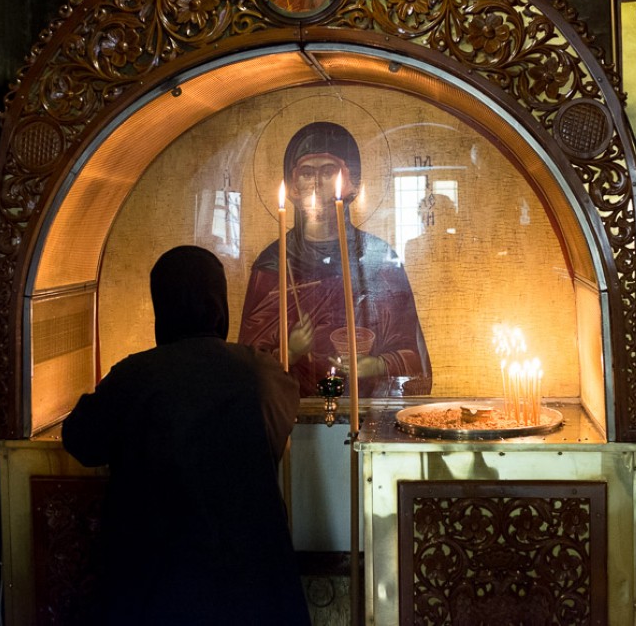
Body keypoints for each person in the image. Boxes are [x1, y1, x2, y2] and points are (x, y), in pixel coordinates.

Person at [62, 245, 309, 625]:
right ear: (219, 302)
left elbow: (80, 440)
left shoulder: (136, 376)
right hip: (251, 579)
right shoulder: (260, 370)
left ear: (162, 306)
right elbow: (276, 429)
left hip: (157, 579)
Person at [239, 121, 431, 397]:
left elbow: (416, 363)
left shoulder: (379, 260)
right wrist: (289, 352)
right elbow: (246, 367)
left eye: (328, 171)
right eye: (306, 173)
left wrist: (377, 364)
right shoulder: (274, 264)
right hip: (292, 415)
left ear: (351, 182)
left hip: (367, 412)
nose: (316, 184)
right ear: (292, 187)